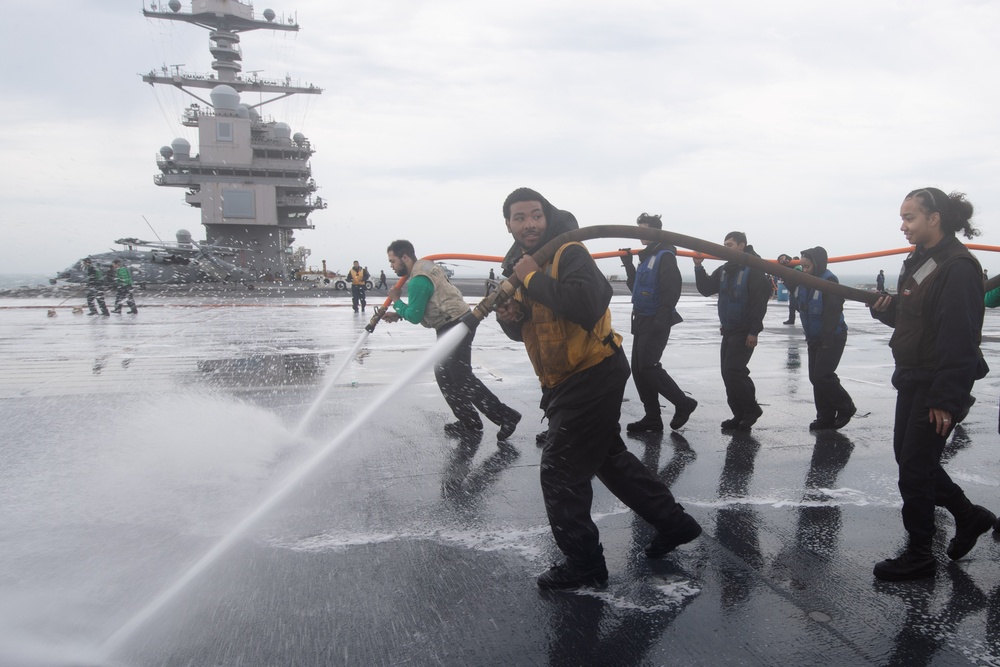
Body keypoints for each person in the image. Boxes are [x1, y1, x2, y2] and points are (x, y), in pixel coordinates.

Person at [495, 187, 701, 590]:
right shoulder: (519, 265)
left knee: (559, 474)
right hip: (564, 379)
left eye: (535, 215)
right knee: (609, 460)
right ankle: (675, 524)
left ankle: (585, 564)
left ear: (546, 215)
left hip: (592, 372)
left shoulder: (567, 253)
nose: (529, 224)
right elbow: (530, 330)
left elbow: (587, 303)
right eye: (519, 218)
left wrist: (531, 278)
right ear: (508, 224)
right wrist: (510, 316)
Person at [869, 187, 993, 581]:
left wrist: (946, 398)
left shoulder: (957, 268)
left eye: (910, 218)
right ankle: (970, 516)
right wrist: (886, 312)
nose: (903, 225)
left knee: (915, 470)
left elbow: (960, 338)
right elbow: (916, 321)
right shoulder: (921, 262)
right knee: (911, 462)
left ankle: (920, 554)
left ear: (934, 218)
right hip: (913, 377)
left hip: (935, 383)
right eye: (903, 218)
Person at [383, 239, 521, 442]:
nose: (392, 266)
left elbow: (414, 315)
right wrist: (399, 314)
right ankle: (469, 421)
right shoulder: (425, 268)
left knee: (460, 375)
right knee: (444, 374)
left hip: (455, 325)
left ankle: (506, 416)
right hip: (453, 322)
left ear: (405, 257)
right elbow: (425, 305)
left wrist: (396, 301)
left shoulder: (418, 280)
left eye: (393, 261)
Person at [619, 212, 697, 432]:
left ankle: (683, 403)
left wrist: (662, 318)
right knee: (639, 368)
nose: (639, 234)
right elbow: (636, 286)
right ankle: (652, 417)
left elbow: (672, 289)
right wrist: (628, 265)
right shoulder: (646, 257)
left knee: (648, 366)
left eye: (643, 229)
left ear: (655, 231)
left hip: (656, 319)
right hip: (641, 319)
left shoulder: (665, 255)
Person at [693, 232, 771, 431]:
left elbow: (758, 304)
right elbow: (705, 289)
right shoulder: (725, 269)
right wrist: (698, 266)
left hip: (744, 331)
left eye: (730, 244)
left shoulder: (754, 270)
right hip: (728, 330)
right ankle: (739, 414)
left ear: (742, 245)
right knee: (727, 373)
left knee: (734, 371)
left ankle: (751, 410)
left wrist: (754, 331)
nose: (725, 247)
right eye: (724, 244)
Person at [795, 247, 855, 430]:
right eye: (802, 267)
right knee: (815, 378)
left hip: (832, 337)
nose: (804, 270)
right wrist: (783, 260)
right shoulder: (805, 282)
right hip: (814, 338)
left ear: (816, 264)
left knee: (823, 375)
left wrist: (827, 341)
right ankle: (825, 417)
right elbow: (789, 281)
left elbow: (833, 313)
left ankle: (846, 407)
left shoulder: (829, 281)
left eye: (807, 266)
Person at [777, 254, 802, 324]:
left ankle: (792, 319)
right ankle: (791, 319)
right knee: (792, 306)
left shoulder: (797, 268)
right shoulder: (792, 267)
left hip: (796, 289)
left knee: (796, 306)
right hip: (792, 289)